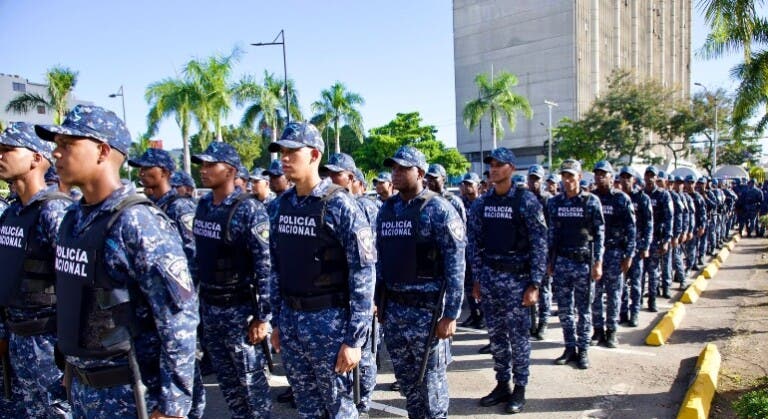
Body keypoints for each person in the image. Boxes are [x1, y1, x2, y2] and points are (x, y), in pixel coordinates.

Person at [37, 104, 198, 417]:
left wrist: (174, 406)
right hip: (83, 390)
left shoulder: (138, 222)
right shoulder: (73, 218)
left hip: (130, 395)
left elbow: (179, 319)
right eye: (56, 145)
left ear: (102, 151)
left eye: (67, 145)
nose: (56, 154)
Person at [269, 122, 375, 418]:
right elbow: (276, 268)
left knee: (339, 406)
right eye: (282, 152)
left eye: (292, 151)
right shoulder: (281, 206)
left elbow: (363, 272)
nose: (284, 158)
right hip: (292, 320)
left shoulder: (339, 205)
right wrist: (277, 321)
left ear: (314, 154)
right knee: (306, 406)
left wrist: (355, 339)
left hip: (328, 321)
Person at [376, 145, 464, 418]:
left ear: (421, 173)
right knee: (410, 388)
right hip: (395, 312)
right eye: (394, 168)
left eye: (403, 168)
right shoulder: (387, 210)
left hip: (427, 314)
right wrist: (379, 302)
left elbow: (456, 264)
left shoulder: (439, 209)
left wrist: (450, 315)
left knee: (432, 387)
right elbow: (381, 259)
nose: (396, 173)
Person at [192, 142, 272, 418]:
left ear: (230, 171)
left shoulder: (248, 210)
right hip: (210, 310)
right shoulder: (203, 206)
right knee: (228, 384)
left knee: (251, 385)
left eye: (210, 165)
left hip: (240, 313)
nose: (203, 170)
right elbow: (197, 258)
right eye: (202, 165)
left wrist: (263, 318)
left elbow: (265, 267)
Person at [0, 122, 72, 417]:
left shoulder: (54, 211)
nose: (0, 156)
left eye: (8, 150)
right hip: (17, 340)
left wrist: (71, 358)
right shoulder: (12, 212)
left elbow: (77, 284)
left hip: (48, 344)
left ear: (36, 158)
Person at [128, 148, 205, 418]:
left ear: (165, 173)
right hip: (151, 312)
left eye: (148, 169)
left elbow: (192, 258)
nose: (142, 174)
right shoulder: (149, 208)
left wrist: (183, 301)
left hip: (176, 306)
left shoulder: (180, 206)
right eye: (140, 169)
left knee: (183, 378)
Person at [468, 148, 546, 414]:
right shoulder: (481, 204)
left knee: (519, 338)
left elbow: (539, 243)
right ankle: (502, 384)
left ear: (512, 168)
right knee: (496, 337)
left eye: (500, 164)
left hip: (517, 281)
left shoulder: (526, 201)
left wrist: (535, 284)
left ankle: (520, 388)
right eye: (491, 164)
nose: (493, 169)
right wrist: (477, 279)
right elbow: (475, 245)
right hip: (490, 279)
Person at [321, 152, 379, 416]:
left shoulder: (364, 207)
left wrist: (373, 297)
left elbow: (372, 257)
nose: (330, 179)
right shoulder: (325, 205)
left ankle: (363, 399)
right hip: (333, 300)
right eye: (328, 173)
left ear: (351, 178)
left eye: (337, 174)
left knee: (362, 354)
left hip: (359, 296)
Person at [548, 159, 604, 369]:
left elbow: (599, 234)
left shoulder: (591, 202)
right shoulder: (555, 203)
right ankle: (569, 347)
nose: (567, 180)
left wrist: (598, 262)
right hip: (562, 262)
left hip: (583, 264)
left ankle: (583, 350)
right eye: (564, 176)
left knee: (583, 310)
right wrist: (550, 261)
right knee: (564, 309)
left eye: (571, 176)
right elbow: (551, 234)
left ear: (579, 177)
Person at [590, 161, 635, 348]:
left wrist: (629, 255)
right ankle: (598, 330)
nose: (599, 177)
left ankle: (611, 332)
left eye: (603, 174)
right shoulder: (590, 198)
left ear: (611, 176)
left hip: (615, 253)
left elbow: (631, 229)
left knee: (614, 294)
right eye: (597, 174)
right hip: (595, 254)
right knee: (595, 295)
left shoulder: (622, 199)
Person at [617, 167, 652, 327]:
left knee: (636, 283)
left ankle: (635, 313)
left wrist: (645, 246)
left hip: (637, 248)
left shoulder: (642, 198)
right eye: (622, 177)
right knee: (621, 283)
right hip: (619, 248)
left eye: (628, 177)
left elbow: (648, 224)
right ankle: (623, 313)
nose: (625, 180)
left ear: (634, 180)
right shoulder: (617, 198)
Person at [526, 164, 553, 340]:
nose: (534, 182)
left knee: (544, 290)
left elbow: (553, 229)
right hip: (527, 252)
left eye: (537, 178)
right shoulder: (525, 199)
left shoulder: (548, 200)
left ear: (542, 180)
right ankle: (531, 324)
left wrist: (550, 255)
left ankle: (543, 323)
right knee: (528, 289)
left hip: (543, 252)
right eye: (532, 178)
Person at [643, 166, 673, 311]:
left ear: (656, 178)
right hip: (641, 239)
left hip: (656, 239)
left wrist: (667, 239)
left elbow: (669, 218)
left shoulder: (663, 195)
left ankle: (652, 299)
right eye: (647, 175)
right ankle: (636, 303)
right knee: (639, 273)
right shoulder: (640, 194)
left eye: (652, 175)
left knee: (653, 271)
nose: (649, 178)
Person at [459, 172, 484, 332]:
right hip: (465, 252)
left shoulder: (483, 203)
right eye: (465, 184)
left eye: (470, 184)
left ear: (478, 186)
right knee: (468, 286)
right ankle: (474, 315)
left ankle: (483, 317)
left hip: (480, 253)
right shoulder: (461, 203)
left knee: (481, 286)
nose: (467, 187)